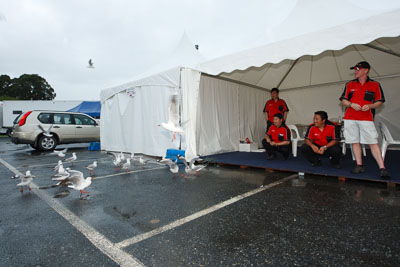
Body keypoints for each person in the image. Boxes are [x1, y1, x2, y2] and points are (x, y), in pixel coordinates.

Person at [339, 61, 389, 178]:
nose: (355, 71)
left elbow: (380, 101)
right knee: (354, 141)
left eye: (358, 69)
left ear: (366, 70)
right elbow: (343, 99)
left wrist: (370, 106)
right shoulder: (350, 84)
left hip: (366, 118)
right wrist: (351, 104)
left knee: (373, 142)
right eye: (355, 69)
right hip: (350, 118)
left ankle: (382, 168)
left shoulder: (375, 84)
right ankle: (359, 165)